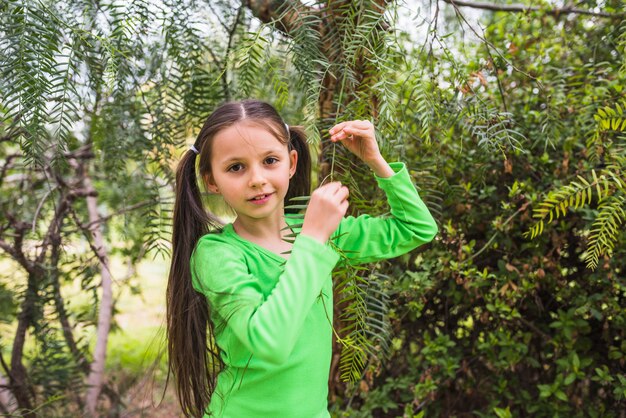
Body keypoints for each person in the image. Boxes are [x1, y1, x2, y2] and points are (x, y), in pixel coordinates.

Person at [166, 99, 438, 418]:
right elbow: (270, 343)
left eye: (270, 160)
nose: (256, 179)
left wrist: (375, 160)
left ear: (291, 163)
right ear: (212, 180)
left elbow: (416, 228)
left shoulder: (317, 231)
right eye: (235, 167)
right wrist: (313, 239)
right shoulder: (217, 254)